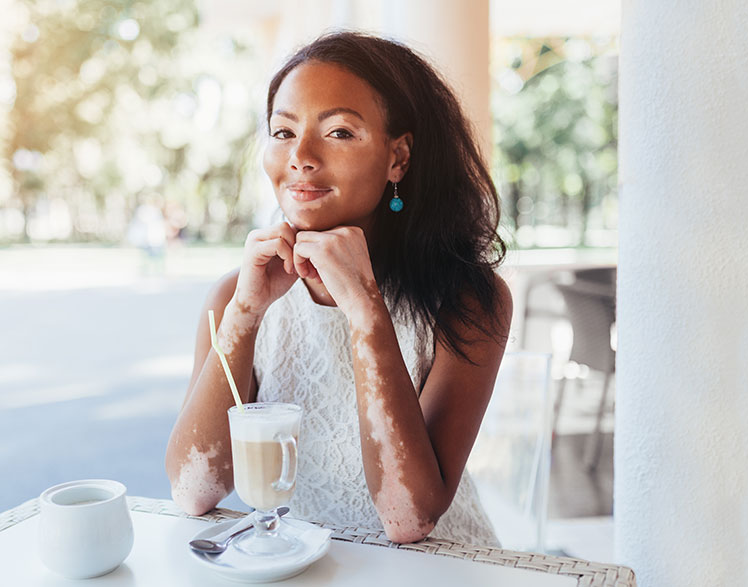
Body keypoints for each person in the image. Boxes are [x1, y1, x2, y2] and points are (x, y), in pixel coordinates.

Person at [165, 31, 512, 546]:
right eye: (283, 132)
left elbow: (408, 518)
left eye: (340, 132)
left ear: (398, 159)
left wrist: (366, 311)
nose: (300, 156)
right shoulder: (234, 298)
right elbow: (194, 491)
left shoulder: (466, 301)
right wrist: (246, 311)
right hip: (300, 567)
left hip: (437, 571)